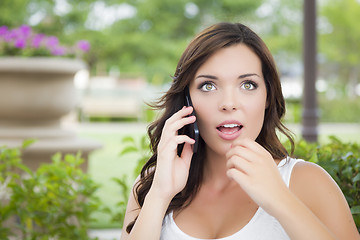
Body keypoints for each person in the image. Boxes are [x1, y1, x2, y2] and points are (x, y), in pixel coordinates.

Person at [120, 22, 359, 240]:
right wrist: (160, 194)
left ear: (267, 95)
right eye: (208, 86)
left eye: (248, 85)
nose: (228, 103)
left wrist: (278, 197)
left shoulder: (308, 182)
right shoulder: (152, 184)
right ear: (187, 100)